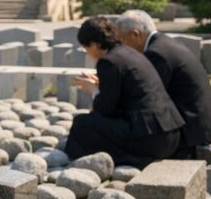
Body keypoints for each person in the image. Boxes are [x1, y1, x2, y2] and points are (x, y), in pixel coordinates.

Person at [65, 16, 185, 167]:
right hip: (171, 135)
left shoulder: (108, 61)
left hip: (150, 141)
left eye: (86, 48)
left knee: (81, 123)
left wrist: (93, 90)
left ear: (94, 45)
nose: (87, 53)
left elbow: (107, 109)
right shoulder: (130, 52)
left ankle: (134, 160)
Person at [116, 10, 211, 163]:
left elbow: (147, 97)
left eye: (122, 40)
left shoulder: (156, 53)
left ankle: (191, 150)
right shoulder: (164, 43)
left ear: (135, 34)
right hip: (201, 123)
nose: (121, 46)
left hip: (191, 128)